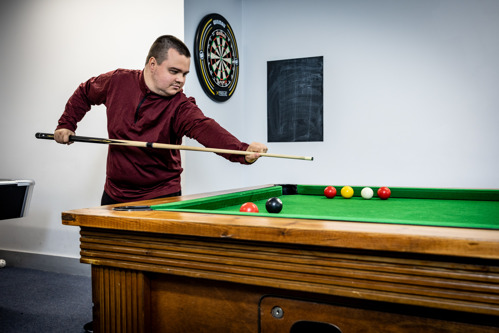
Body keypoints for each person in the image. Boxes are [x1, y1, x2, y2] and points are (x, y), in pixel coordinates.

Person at [54, 35, 268, 206]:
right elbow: (85, 92)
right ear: (153, 64)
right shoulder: (117, 81)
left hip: (162, 197)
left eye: (184, 74)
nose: (180, 80)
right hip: (115, 194)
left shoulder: (181, 106)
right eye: (174, 71)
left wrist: (243, 151)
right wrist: (66, 124)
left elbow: (206, 128)